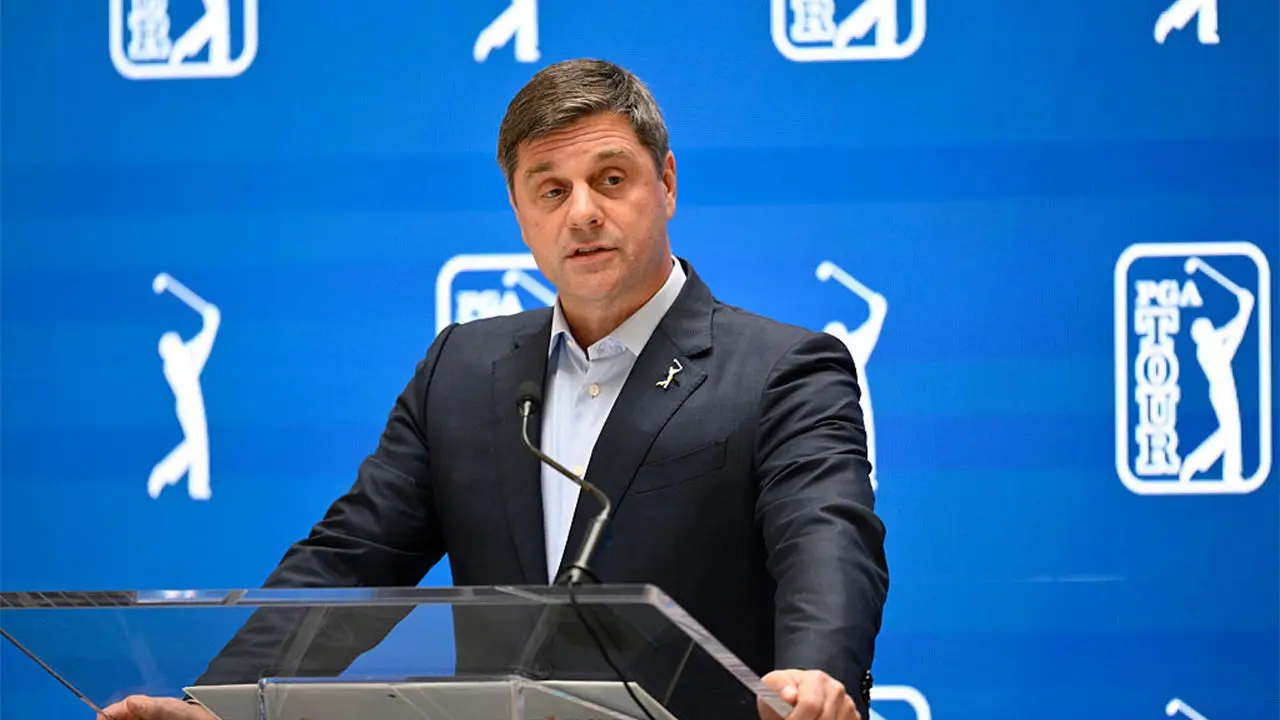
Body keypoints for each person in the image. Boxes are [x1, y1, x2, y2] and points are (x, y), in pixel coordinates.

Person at [99, 58, 888, 720]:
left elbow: (825, 539)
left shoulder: (781, 369)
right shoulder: (463, 371)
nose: (583, 213)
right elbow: (350, 562)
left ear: (667, 183)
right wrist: (219, 705)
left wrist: (815, 676)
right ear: (518, 211)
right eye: (552, 190)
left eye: (611, 178)